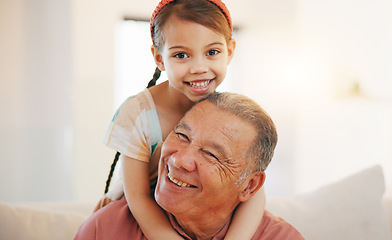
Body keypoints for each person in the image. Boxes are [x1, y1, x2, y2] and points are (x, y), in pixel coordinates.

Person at [95, 0, 266, 239]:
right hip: (147, 212)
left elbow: (254, 190)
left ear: (229, 51)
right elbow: (138, 198)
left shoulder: (228, 113)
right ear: (159, 58)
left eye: (212, 52)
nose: (199, 67)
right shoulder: (139, 114)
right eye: (181, 55)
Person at [75, 92, 305, 240]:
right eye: (182, 135)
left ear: (249, 186)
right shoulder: (104, 229)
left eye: (211, 154)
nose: (178, 160)